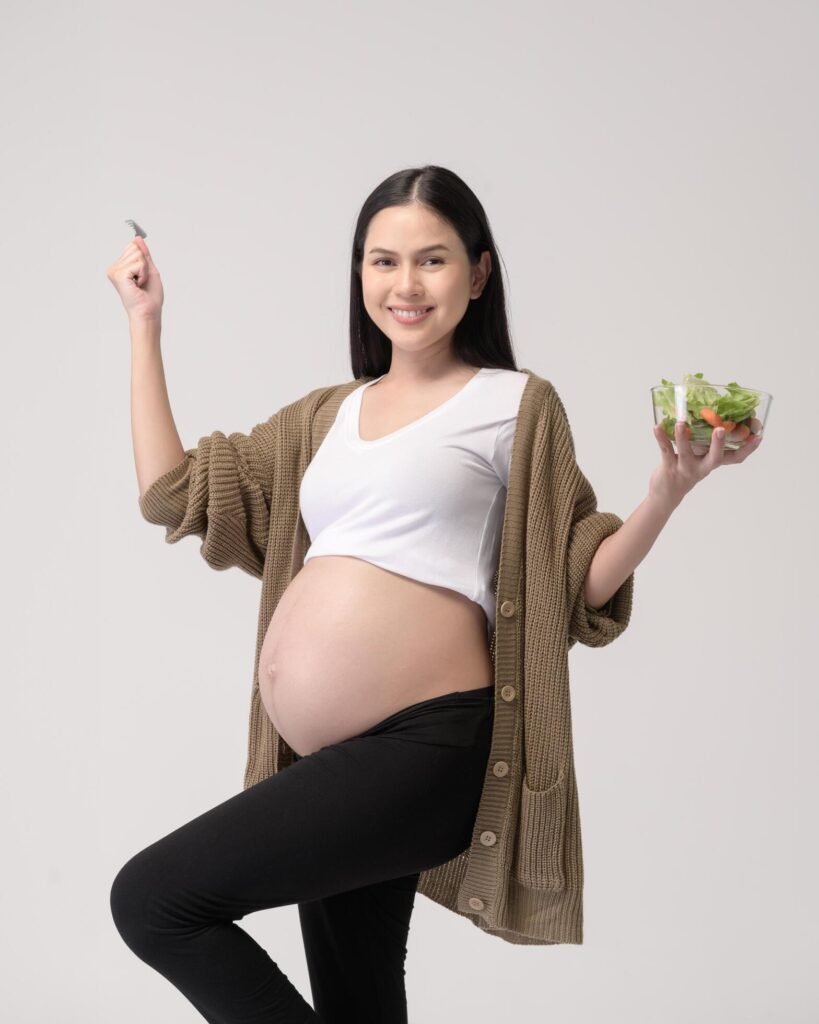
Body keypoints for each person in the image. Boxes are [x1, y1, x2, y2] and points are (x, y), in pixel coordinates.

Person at [107, 165, 757, 1022]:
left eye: (432, 260)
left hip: (429, 750)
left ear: (478, 274)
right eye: (382, 261)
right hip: (330, 760)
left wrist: (668, 492)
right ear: (359, 275)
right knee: (359, 1001)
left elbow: (575, 580)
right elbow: (173, 492)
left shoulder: (513, 405)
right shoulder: (323, 419)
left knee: (154, 901)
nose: (404, 285)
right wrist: (145, 324)